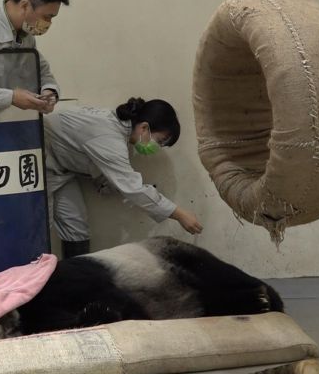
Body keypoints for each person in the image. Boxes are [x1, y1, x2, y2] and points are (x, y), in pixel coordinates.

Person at [44, 97, 204, 257]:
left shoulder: (118, 133)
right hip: (42, 164)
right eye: (159, 141)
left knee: (76, 228)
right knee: (40, 228)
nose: (157, 147)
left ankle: (75, 280)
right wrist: (180, 214)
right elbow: (134, 189)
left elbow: (114, 178)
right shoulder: (110, 137)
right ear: (144, 127)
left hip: (61, 170)